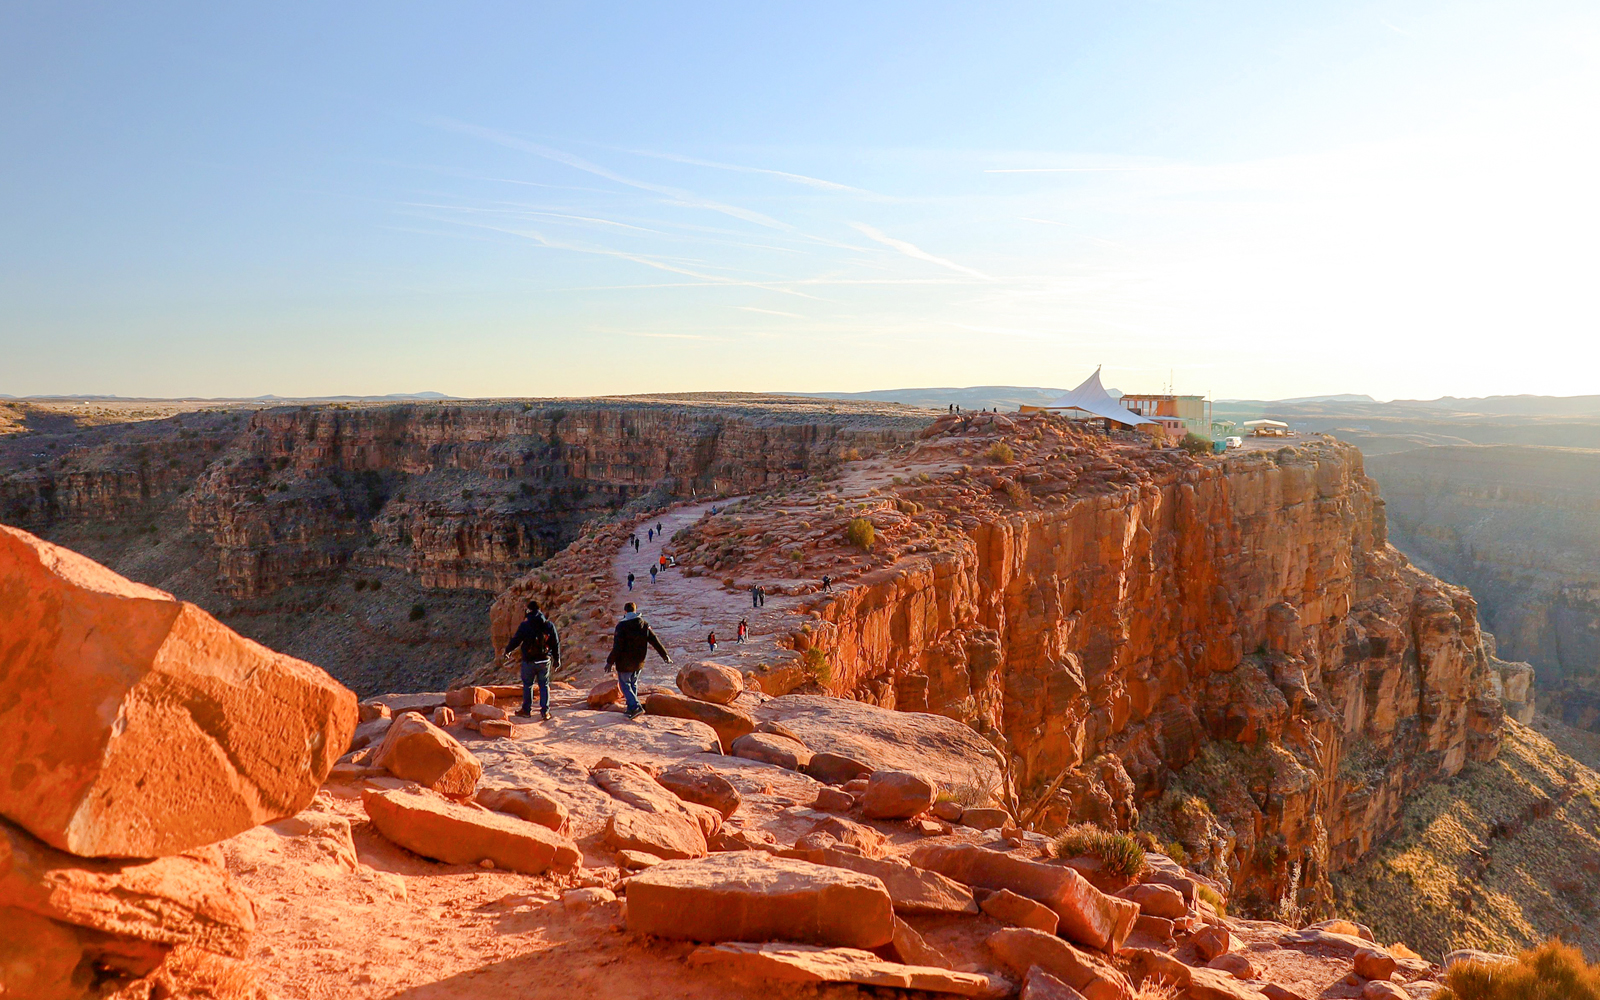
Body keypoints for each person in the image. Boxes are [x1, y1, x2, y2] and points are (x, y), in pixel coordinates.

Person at [605, 601, 670, 719]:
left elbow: (617, 647)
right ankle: (631, 708)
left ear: (625, 611)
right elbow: (654, 641)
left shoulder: (621, 626)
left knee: (624, 684)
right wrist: (665, 655)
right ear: (635, 611)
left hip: (625, 662)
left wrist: (610, 661)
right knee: (633, 683)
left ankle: (636, 706)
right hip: (639, 661)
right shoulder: (644, 624)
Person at [504, 598, 559, 721]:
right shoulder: (548, 625)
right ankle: (545, 712)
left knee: (528, 685)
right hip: (544, 661)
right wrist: (557, 659)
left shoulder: (525, 625)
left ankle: (526, 710)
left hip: (529, 661)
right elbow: (555, 643)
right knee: (544, 685)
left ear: (529, 610)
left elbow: (516, 640)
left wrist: (508, 650)